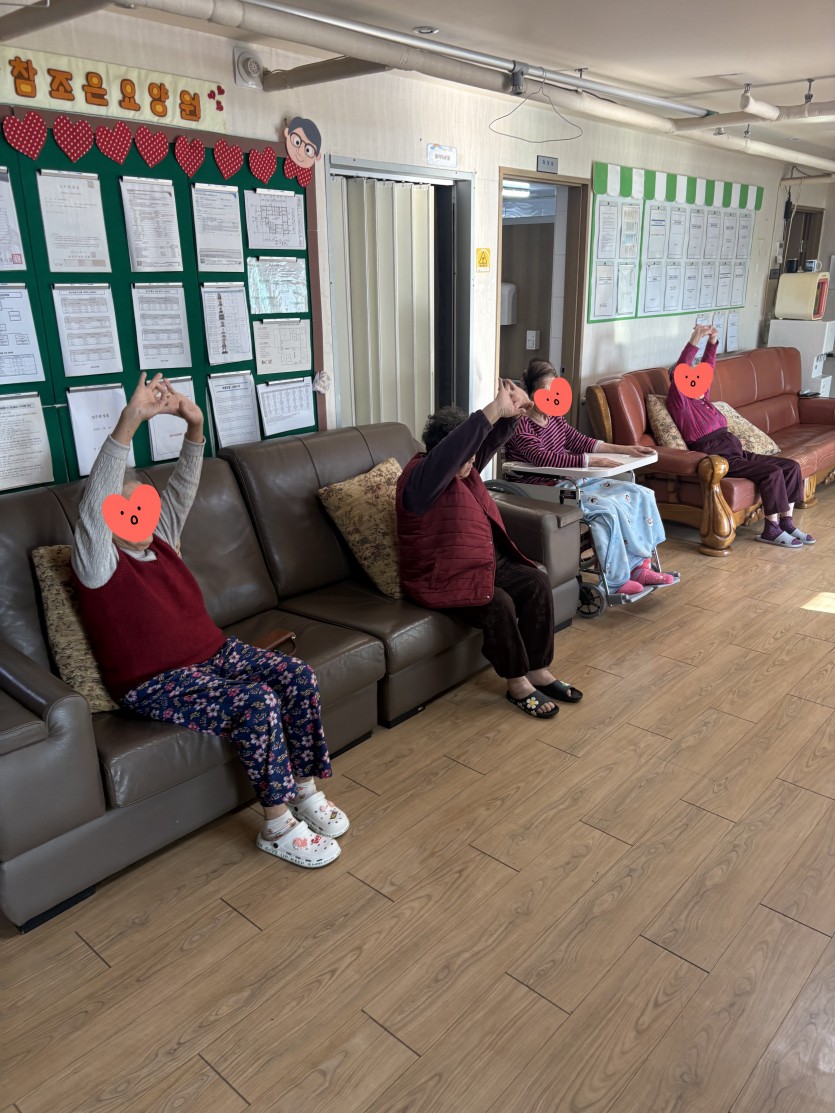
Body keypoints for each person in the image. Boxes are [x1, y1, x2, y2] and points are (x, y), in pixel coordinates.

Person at [70, 372, 348, 869]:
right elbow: (93, 508)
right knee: (257, 703)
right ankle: (277, 825)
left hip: (213, 653)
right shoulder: (98, 563)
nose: (137, 516)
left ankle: (303, 791)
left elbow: (183, 488)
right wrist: (130, 421)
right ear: (105, 519)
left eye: (143, 506)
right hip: (155, 682)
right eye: (122, 509)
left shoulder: (161, 538)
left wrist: (195, 426)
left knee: (297, 676)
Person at [396, 379, 583, 719]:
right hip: (442, 577)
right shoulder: (420, 481)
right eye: (464, 457)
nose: (472, 463)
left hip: (480, 565)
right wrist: (492, 409)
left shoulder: (463, 470)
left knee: (535, 581)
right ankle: (517, 683)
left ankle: (538, 670)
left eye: (472, 456)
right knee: (499, 603)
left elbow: (487, 442)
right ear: (441, 454)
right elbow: (455, 453)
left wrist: (512, 414)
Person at [505, 359, 677, 595]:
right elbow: (540, 456)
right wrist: (589, 461)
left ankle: (640, 566)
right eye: (545, 390)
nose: (551, 396)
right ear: (531, 392)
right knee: (607, 511)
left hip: (573, 481)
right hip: (545, 488)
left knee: (640, 494)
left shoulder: (555, 418)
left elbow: (580, 441)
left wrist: (627, 449)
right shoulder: (521, 424)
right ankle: (616, 579)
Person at [668, 324, 815, 548]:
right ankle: (771, 529)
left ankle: (787, 523)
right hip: (719, 456)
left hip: (737, 452)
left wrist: (713, 341)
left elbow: (709, 365)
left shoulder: (703, 398)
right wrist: (695, 338)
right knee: (772, 472)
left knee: (791, 467)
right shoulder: (680, 404)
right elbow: (682, 367)